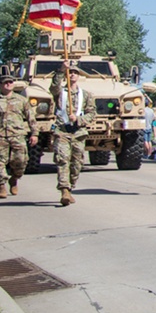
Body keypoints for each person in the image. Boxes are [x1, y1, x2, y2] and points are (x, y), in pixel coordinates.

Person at [0, 72, 37, 199]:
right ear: (0, 85)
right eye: (5, 82)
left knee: (21, 162)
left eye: (10, 82)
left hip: (17, 135)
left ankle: (14, 179)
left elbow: (31, 118)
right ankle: (1, 186)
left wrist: (34, 134)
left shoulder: (21, 100)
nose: (8, 84)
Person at [51, 62, 96, 206]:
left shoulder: (86, 95)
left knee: (77, 163)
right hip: (62, 131)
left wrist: (79, 119)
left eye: (75, 73)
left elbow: (91, 113)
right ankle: (64, 189)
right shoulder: (60, 92)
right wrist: (61, 70)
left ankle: (71, 186)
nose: (72, 75)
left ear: (78, 76)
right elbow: (53, 86)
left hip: (78, 133)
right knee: (63, 159)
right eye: (70, 73)